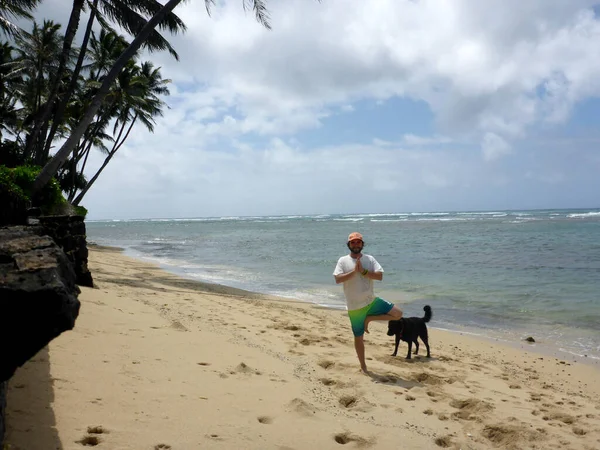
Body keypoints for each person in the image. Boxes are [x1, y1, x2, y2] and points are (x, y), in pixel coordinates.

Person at [333, 232, 403, 373]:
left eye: (358, 242)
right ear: (349, 245)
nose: (356, 244)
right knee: (358, 337)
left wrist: (363, 272)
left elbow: (379, 276)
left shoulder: (370, 259)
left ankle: (370, 318)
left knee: (398, 314)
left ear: (362, 244)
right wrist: (354, 272)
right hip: (355, 308)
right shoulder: (343, 260)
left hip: (371, 301)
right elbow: (338, 279)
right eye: (353, 242)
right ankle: (363, 367)